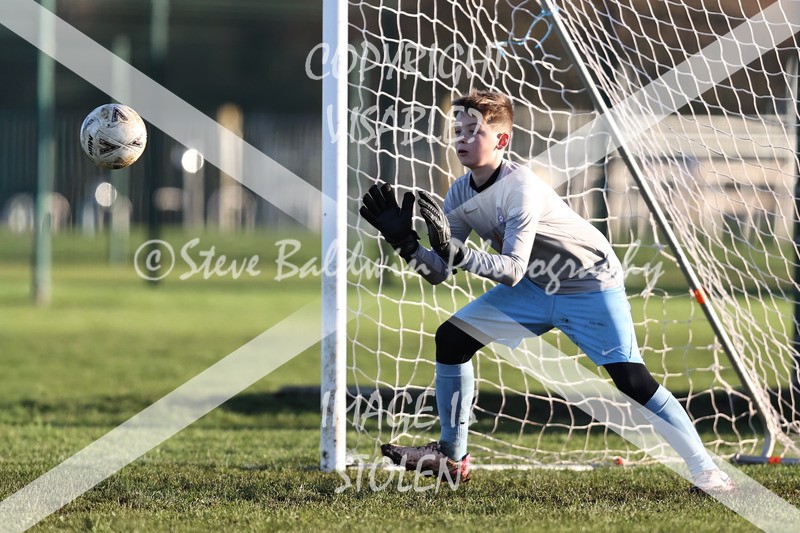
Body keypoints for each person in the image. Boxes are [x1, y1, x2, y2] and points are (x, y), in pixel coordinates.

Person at [359, 89, 733, 493]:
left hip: (588, 283)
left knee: (632, 380)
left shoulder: (522, 187)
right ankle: (452, 457)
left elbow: (511, 270)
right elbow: (439, 272)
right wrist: (407, 245)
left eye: (474, 131)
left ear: (501, 141)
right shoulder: (459, 193)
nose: (462, 139)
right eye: (458, 131)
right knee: (451, 339)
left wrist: (458, 254)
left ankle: (708, 472)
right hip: (537, 287)